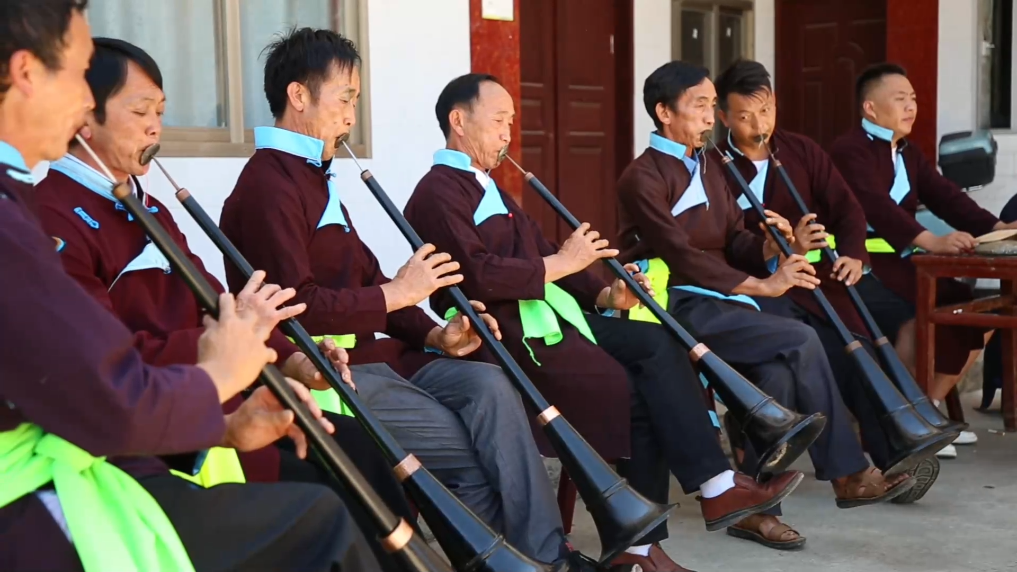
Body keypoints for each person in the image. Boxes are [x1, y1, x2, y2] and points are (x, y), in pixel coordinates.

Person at [0, 2, 379, 570]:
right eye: (79, 75)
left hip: (161, 420)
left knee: (353, 466)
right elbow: (104, 385)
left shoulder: (129, 205)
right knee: (320, 519)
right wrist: (219, 376)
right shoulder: (38, 211)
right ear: (28, 73)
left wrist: (282, 359)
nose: (83, 99)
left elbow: (212, 303)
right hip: (48, 488)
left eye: (160, 111)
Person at [404, 72, 806, 572]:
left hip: (553, 324)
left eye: (511, 121)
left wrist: (604, 291)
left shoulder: (488, 187)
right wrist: (563, 262)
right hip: (508, 338)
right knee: (637, 392)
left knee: (656, 344)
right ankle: (649, 540)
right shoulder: (437, 191)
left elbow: (547, 251)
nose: (508, 133)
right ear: (458, 121)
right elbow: (479, 275)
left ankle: (706, 494)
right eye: (499, 120)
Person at [217, 28, 588, 569]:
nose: (351, 116)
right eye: (344, 99)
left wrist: (435, 332)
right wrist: (399, 292)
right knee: (468, 448)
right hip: (327, 368)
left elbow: (366, 274)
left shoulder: (313, 174)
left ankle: (543, 553)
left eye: (355, 101)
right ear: (299, 96)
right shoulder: (269, 184)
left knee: (488, 382)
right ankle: (522, 560)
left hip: (381, 356)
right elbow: (302, 307)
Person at [614, 60, 917, 551]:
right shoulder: (641, 176)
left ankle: (753, 510)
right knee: (800, 337)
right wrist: (761, 285)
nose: (709, 117)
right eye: (699, 106)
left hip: (720, 297)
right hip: (674, 302)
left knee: (775, 376)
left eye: (711, 106)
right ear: (664, 113)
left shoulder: (710, 162)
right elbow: (680, 254)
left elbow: (735, 236)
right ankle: (847, 473)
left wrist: (774, 248)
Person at [711, 58, 941, 511]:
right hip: (754, 291)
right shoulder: (714, 167)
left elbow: (848, 209)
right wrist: (775, 248)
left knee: (854, 346)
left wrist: (854, 254)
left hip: (811, 284)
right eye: (744, 116)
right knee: (809, 353)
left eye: (766, 111)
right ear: (723, 117)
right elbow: (721, 241)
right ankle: (850, 474)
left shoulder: (801, 151)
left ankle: (893, 455)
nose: (759, 125)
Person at [829, 63, 1002, 456]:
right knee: (916, 314)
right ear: (870, 108)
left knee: (975, 311)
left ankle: (926, 410)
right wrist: (931, 241)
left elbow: (946, 197)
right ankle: (910, 421)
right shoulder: (849, 150)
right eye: (900, 99)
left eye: (913, 99)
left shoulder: (907, 151)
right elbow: (876, 207)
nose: (911, 107)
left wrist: (997, 228)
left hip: (905, 262)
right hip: (860, 265)